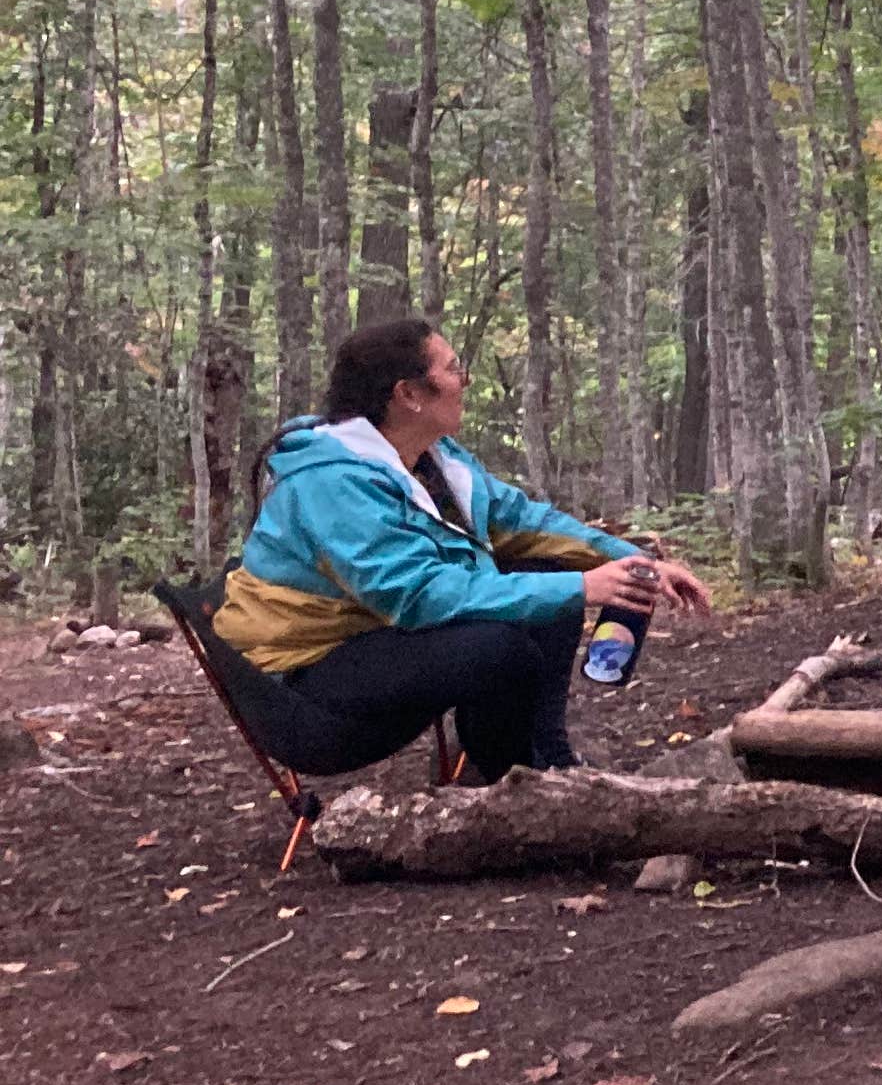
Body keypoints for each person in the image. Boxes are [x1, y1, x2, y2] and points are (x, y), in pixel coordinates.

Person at [216, 314, 709, 780]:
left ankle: (546, 760)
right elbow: (417, 595)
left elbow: (518, 518)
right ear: (408, 394)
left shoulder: (432, 456)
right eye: (453, 369)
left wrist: (631, 560)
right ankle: (513, 788)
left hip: (371, 633)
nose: (465, 380)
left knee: (544, 580)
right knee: (500, 646)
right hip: (304, 684)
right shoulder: (332, 484)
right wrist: (581, 586)